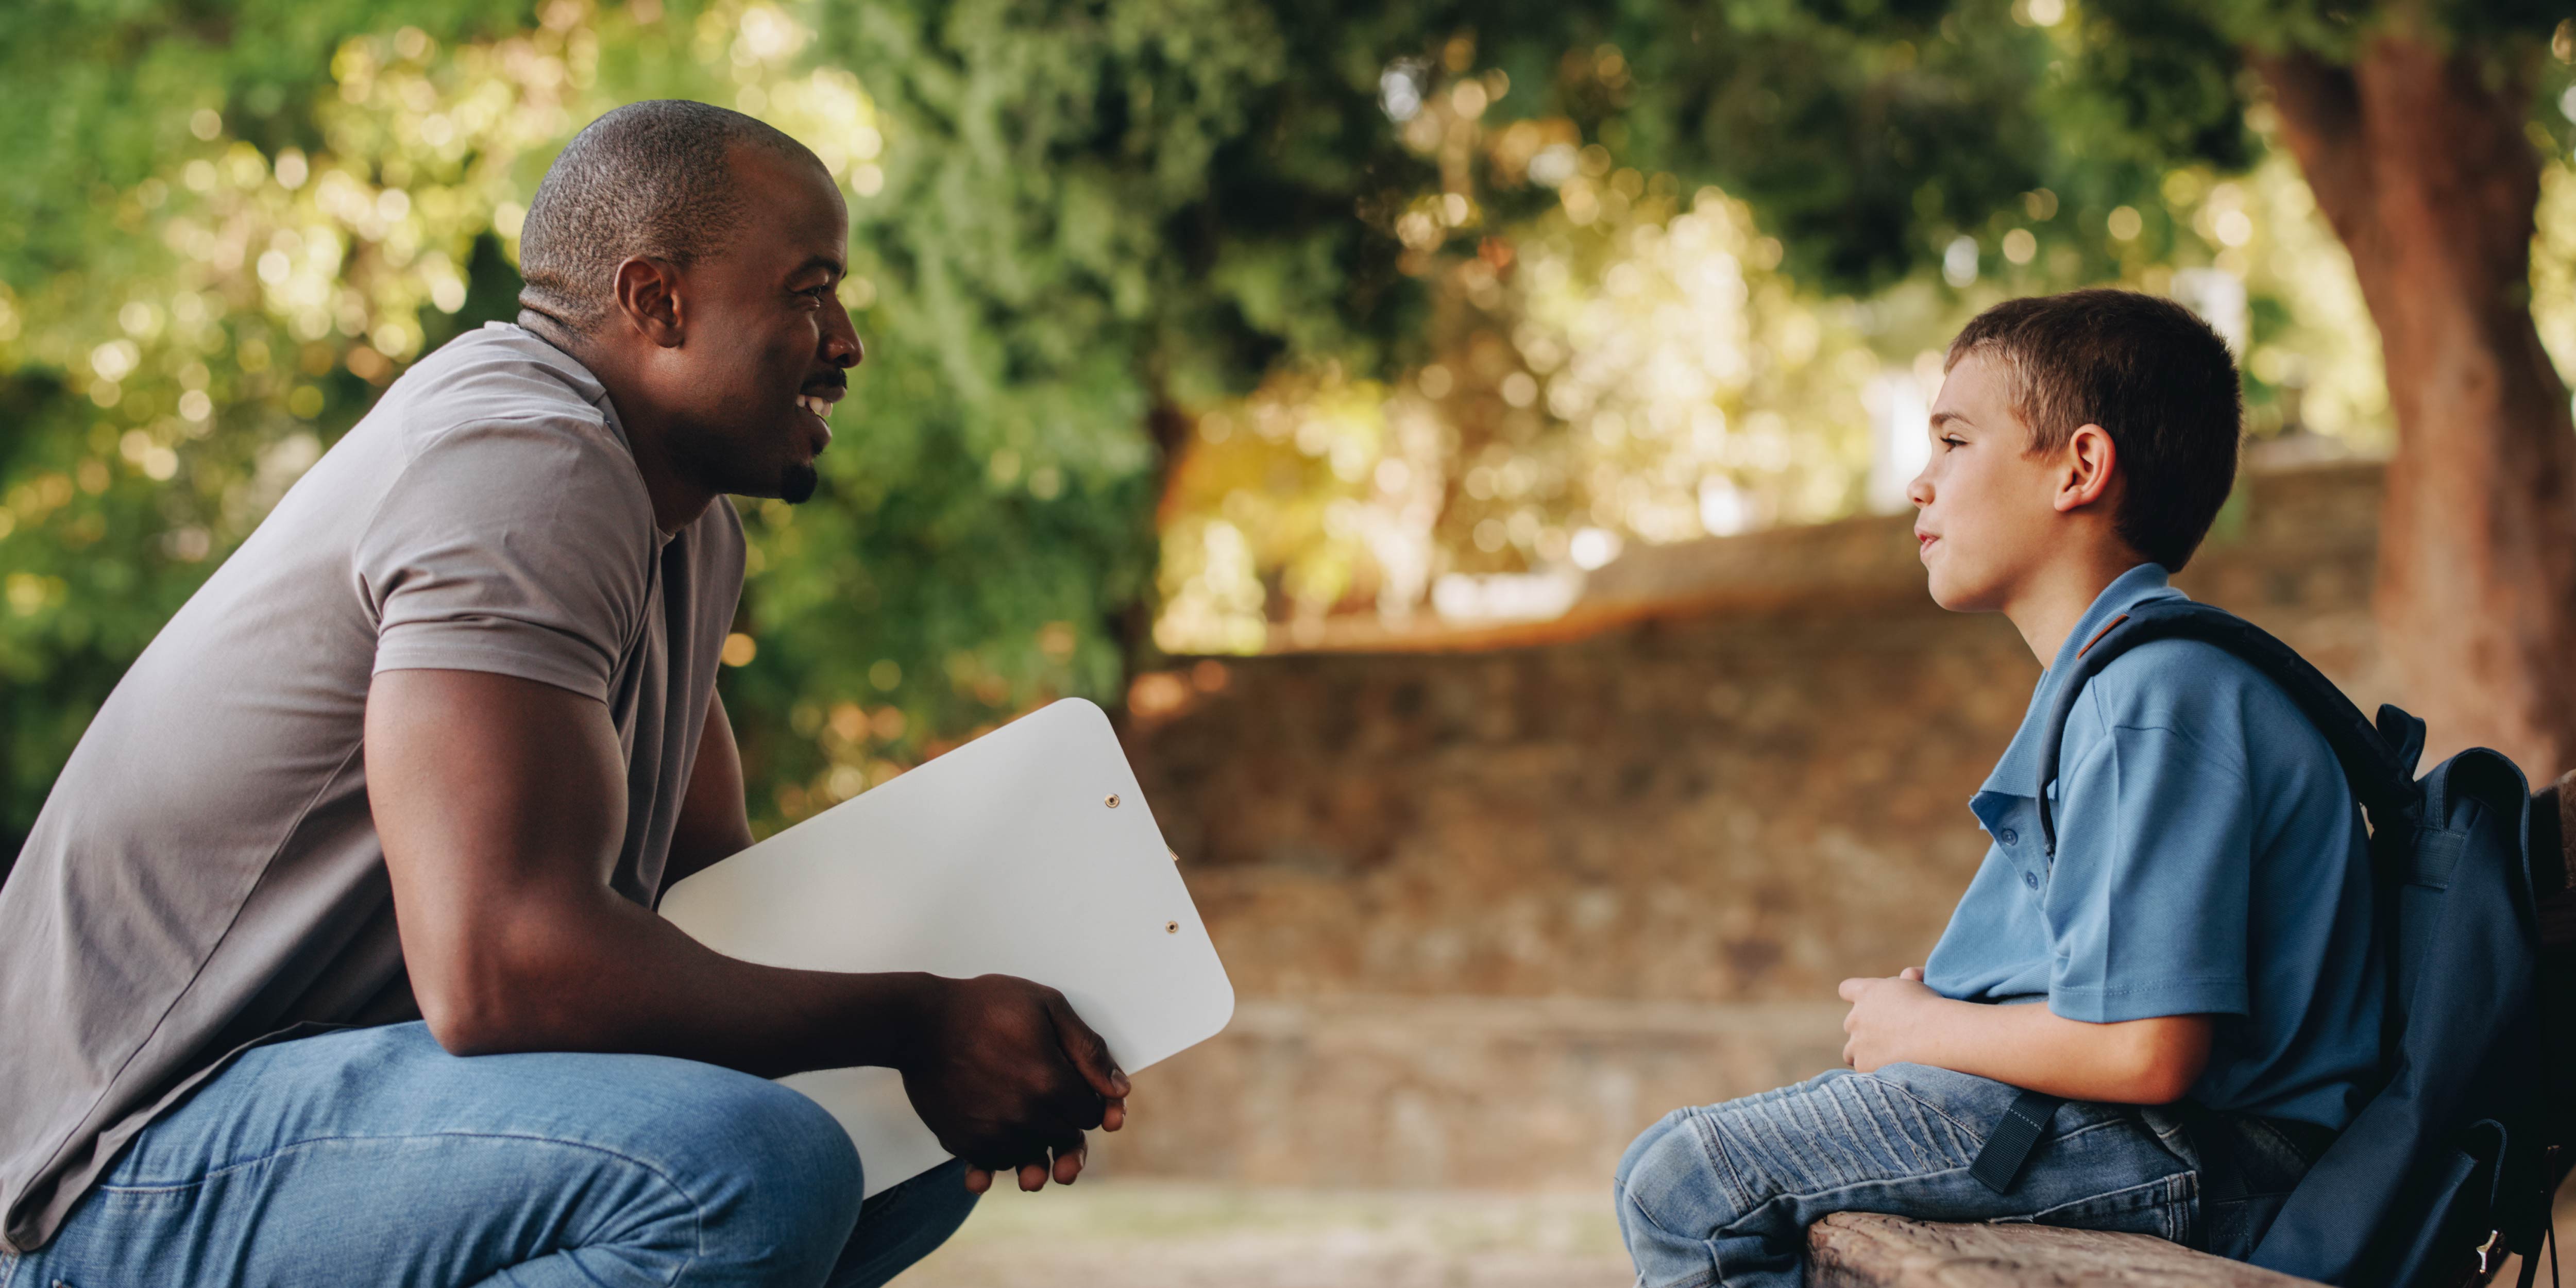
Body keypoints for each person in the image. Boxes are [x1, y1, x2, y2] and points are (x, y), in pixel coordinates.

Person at [0, 100, 1127, 1287]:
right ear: (657, 301)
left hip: (315, 1121)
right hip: (108, 1170)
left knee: (901, 1151)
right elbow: (504, 966)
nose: (845, 339)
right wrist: (912, 1018)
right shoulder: (523, 460)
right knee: (742, 1167)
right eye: (808, 291)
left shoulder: (682, 531)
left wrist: (991, 1016)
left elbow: (710, 906)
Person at [1613, 290, 2385, 1285]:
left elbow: (2148, 1051)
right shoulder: (2129, 679)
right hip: (2150, 1136)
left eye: (1953, 441)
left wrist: (1924, 1028)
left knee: (1685, 1185)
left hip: (2207, 1157)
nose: (1917, 484)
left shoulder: (2155, 697)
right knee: (1678, 1174)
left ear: (2080, 469)